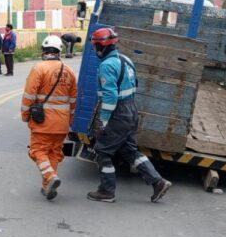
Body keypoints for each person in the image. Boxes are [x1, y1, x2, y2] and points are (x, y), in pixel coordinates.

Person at [86, 27, 172, 204]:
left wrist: (103, 121)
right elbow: (134, 85)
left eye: (95, 46)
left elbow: (110, 96)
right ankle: (158, 182)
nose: (95, 50)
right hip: (131, 110)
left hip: (118, 113)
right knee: (129, 150)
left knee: (103, 151)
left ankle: (106, 191)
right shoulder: (126, 60)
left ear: (101, 47)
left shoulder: (107, 65)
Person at [22, 34, 77, 200]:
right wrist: (70, 121)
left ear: (44, 51)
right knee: (54, 153)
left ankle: (51, 177)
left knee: (37, 151)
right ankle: (47, 187)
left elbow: (29, 96)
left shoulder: (39, 68)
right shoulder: (69, 71)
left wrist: (25, 115)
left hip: (43, 121)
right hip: (62, 123)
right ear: (59, 51)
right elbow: (74, 100)